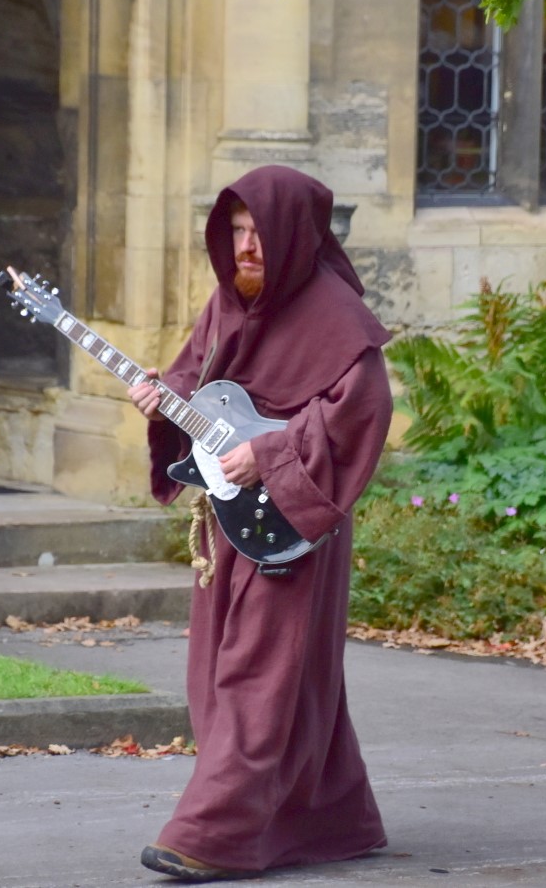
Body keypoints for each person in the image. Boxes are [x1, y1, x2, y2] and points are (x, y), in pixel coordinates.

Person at [128, 165, 393, 882]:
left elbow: (360, 418)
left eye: (258, 233)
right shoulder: (227, 304)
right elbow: (191, 381)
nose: (245, 248)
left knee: (261, 677)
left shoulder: (339, 319)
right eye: (235, 231)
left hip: (293, 521)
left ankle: (209, 834)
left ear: (295, 236)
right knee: (236, 673)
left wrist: (270, 452)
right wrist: (159, 400)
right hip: (228, 517)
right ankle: (337, 817)